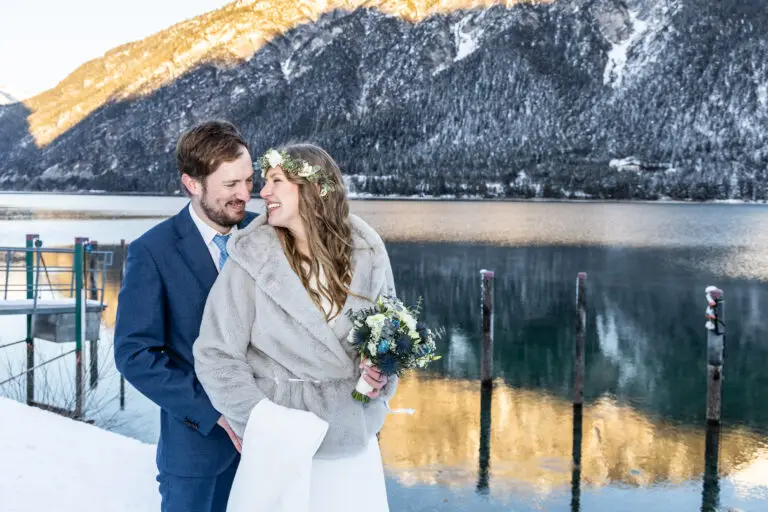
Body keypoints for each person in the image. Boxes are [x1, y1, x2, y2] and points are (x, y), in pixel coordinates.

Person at [193, 143, 397, 511]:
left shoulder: (369, 255)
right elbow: (215, 354)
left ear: (313, 188)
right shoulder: (251, 259)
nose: (262, 192)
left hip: (353, 446)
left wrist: (381, 375)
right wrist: (263, 422)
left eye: (275, 181)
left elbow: (391, 340)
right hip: (282, 450)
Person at [114, 120, 258, 512]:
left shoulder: (268, 237)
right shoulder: (153, 252)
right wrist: (214, 414)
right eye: (230, 185)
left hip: (272, 450)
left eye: (248, 180)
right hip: (199, 454)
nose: (245, 194)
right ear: (192, 184)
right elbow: (134, 354)